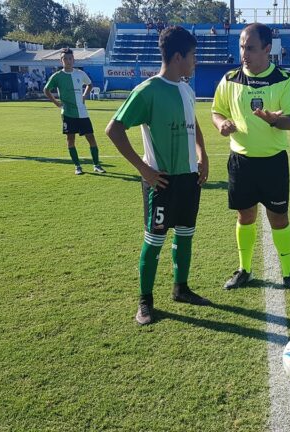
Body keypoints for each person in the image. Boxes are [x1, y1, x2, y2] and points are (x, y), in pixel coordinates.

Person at [105, 26, 211, 325]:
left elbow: (195, 124)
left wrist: (203, 154)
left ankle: (181, 288)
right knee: (154, 241)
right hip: (162, 181)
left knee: (186, 235)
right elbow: (113, 129)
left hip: (189, 178)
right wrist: (144, 169)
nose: (195, 61)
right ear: (178, 56)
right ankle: (145, 302)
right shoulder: (148, 90)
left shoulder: (187, 88)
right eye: (192, 56)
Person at [211, 23, 290, 294]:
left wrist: (272, 119)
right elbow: (216, 111)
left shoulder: (284, 78)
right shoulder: (229, 79)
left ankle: (288, 273)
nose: (244, 53)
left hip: (273, 161)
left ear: (267, 49)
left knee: (279, 218)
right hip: (241, 161)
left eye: (250, 48)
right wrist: (220, 124)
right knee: (245, 216)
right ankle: (244, 269)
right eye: (242, 47)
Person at [44, 48, 105, 175]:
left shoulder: (80, 74)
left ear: (73, 60)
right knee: (70, 140)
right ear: (61, 61)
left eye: (70, 58)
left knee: (91, 138)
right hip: (68, 113)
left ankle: (96, 165)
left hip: (83, 113)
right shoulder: (57, 76)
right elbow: (46, 90)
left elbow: (89, 84)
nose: (68, 61)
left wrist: (84, 96)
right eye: (65, 59)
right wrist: (56, 102)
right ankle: (77, 166)